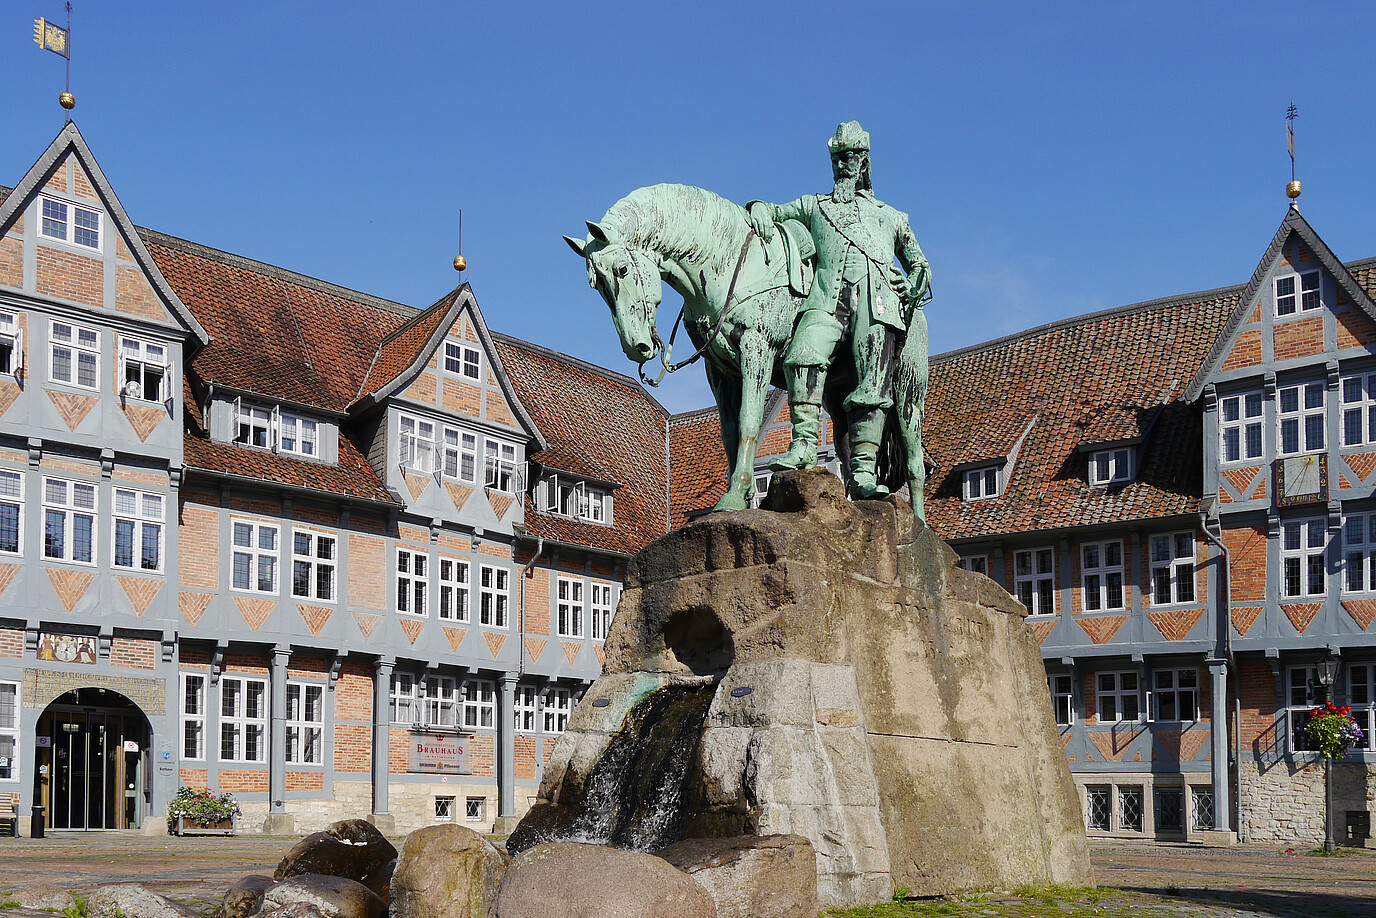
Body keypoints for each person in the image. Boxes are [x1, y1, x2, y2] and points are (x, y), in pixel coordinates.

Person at [747, 121, 930, 497]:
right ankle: (802, 445)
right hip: (827, 300)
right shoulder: (815, 206)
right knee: (801, 356)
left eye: (850, 157)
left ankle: (864, 471)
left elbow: (921, 266)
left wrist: (911, 283)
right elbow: (773, 210)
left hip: (876, 307)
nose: (842, 164)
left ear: (864, 162)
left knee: (873, 384)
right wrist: (759, 208)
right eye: (836, 158)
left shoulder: (891, 217)